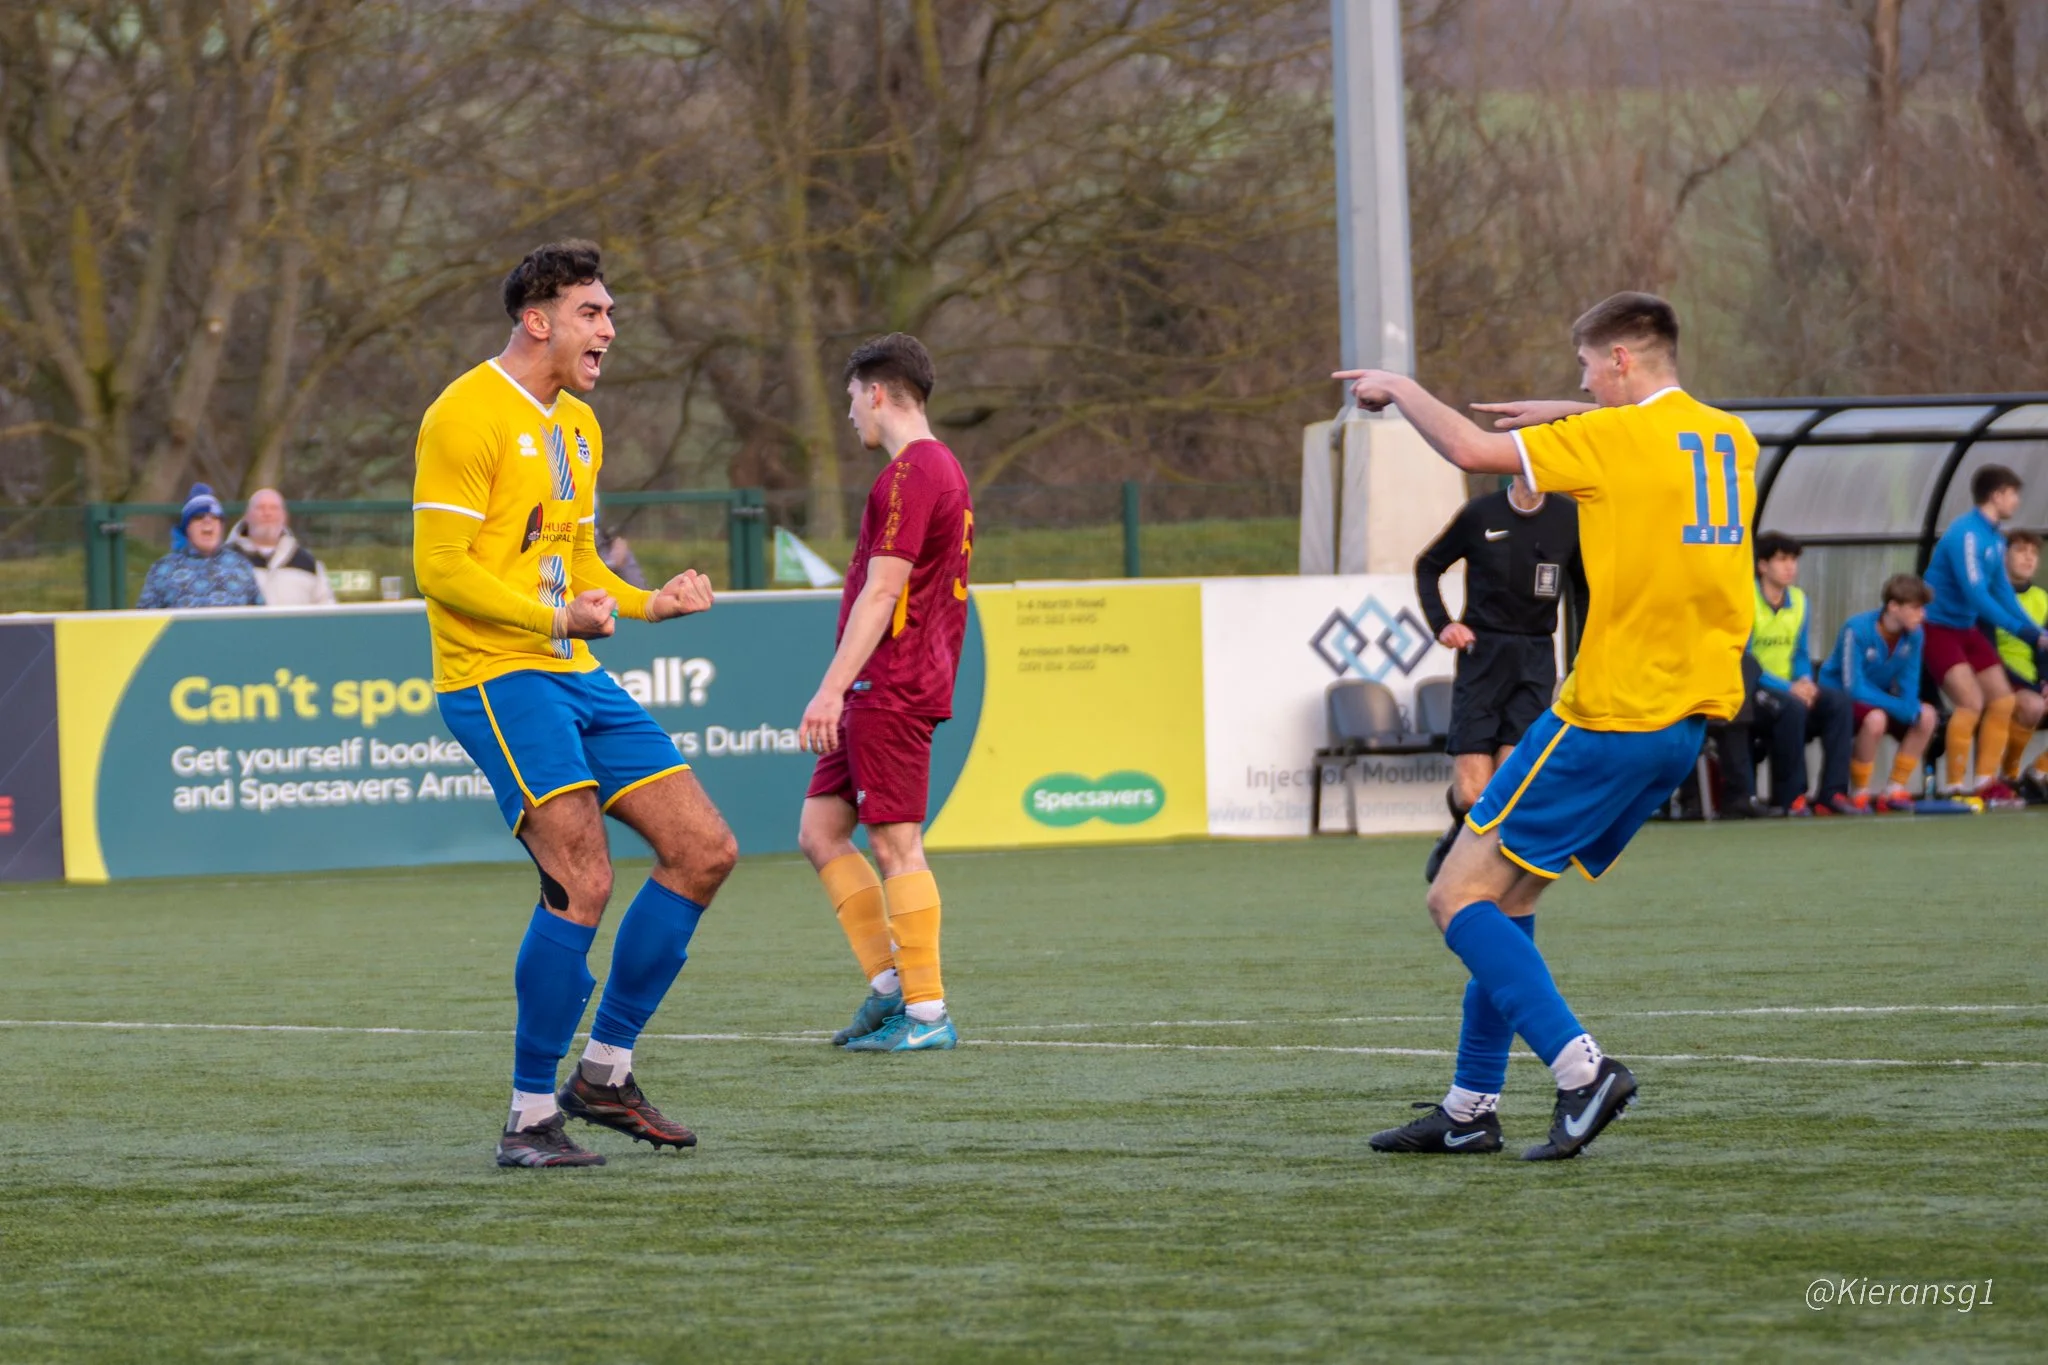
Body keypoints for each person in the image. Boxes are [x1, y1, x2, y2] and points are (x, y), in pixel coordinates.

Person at [1337, 291, 1753, 1161]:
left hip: (1609, 709)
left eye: (1587, 368)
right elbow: (1647, 436)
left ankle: (1580, 1070)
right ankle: (1468, 1110)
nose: (1582, 382)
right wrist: (1570, 414)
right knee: (1507, 898)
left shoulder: (1610, 439)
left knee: (1452, 895)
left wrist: (1400, 387)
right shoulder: (1729, 437)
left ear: (1622, 362)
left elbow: (1467, 447)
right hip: (1685, 724)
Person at [412, 240, 738, 1168]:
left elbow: (578, 561)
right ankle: (526, 1118)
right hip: (491, 674)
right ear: (537, 319)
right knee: (584, 880)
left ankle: (602, 1073)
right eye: (593, 312)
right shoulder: (464, 414)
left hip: (569, 669)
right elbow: (439, 569)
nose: (609, 329)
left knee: (704, 849)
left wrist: (646, 603)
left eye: (610, 313)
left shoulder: (580, 429)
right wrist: (556, 614)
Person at [796, 333, 974, 1054]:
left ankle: (927, 1013)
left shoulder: (913, 472)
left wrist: (830, 690)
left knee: (897, 843)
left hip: (890, 683)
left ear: (876, 392)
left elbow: (883, 592)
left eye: (850, 400)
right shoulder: (937, 469)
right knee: (818, 830)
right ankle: (890, 985)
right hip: (882, 682)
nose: (849, 417)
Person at [1413, 474, 1585, 881]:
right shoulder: (1481, 514)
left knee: (1510, 789)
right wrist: (1443, 625)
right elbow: (1428, 567)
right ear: (1515, 467)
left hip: (1536, 656)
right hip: (1482, 655)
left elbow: (1584, 592)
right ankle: (1459, 827)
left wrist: (1582, 657)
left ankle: (1483, 878)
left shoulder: (1570, 517)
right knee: (1473, 793)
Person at [1921, 464, 2048, 800]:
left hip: (1964, 630)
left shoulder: (1994, 536)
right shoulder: (1967, 533)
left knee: (2004, 700)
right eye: (2014, 495)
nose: (2016, 502)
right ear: (1998, 494)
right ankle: (1955, 786)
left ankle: (1985, 783)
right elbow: (1978, 595)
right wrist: (2027, 632)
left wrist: (2035, 632)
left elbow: (2003, 592)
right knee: (1971, 701)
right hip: (1939, 628)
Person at [1748, 532, 1858, 815]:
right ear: (1762, 566)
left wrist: (1806, 681)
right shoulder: (1746, 599)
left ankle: (1832, 794)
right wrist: (1789, 688)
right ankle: (1791, 797)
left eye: (1794, 560)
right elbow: (1745, 660)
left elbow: (1800, 652)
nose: (1790, 567)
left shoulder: (1799, 600)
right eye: (1782, 560)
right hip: (1754, 688)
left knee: (1839, 704)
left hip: (1789, 687)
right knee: (1793, 708)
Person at [1817, 573, 1939, 811]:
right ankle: (1860, 792)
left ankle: (1894, 789)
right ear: (1893, 607)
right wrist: (1899, 707)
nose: (1922, 615)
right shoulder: (1856, 628)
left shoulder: (1915, 635)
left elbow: (1909, 683)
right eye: (1915, 608)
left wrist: (1909, 705)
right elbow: (1854, 688)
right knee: (1876, 719)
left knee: (1927, 715)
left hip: (1876, 698)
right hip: (1840, 700)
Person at [136, 483, 264, 608]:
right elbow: (144, 621)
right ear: (187, 528)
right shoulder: (163, 570)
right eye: (198, 517)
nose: (207, 522)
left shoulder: (241, 566)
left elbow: (261, 618)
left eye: (215, 517)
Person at [1991, 530, 2048, 799]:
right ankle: (2008, 773)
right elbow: (1984, 649)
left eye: (2033, 553)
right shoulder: (1989, 596)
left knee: (2039, 700)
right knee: (2033, 705)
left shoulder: (2042, 598)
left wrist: (2046, 681)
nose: (2028, 558)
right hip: (2000, 678)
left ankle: (2039, 771)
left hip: (2034, 679)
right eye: (2020, 551)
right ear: (2003, 556)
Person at [227, 488, 337, 606]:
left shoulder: (308, 563)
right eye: (260, 508)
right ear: (247, 516)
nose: (267, 513)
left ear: (284, 517)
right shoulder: (225, 560)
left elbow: (327, 610)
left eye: (274, 508)